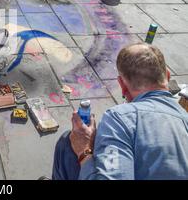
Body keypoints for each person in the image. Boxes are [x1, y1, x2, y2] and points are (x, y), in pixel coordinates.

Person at [52, 43, 188, 180]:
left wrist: (84, 151)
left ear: (122, 85)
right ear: (168, 76)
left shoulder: (121, 117)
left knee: (67, 143)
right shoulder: (184, 118)